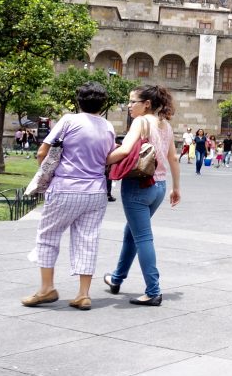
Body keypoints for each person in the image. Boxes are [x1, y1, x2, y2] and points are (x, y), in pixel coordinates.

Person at [22, 82, 116, 310]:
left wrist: (46, 173)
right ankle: (83, 294)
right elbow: (108, 157)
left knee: (48, 237)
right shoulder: (108, 127)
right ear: (103, 104)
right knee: (88, 240)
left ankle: (47, 289)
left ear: (78, 101)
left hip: (66, 188)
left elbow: (43, 152)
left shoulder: (69, 120)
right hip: (96, 192)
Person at [104, 85, 182, 306]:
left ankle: (153, 291)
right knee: (132, 233)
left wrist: (99, 159)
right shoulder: (165, 125)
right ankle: (116, 278)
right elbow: (173, 159)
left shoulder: (140, 121)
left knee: (143, 237)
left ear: (146, 104)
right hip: (159, 187)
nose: (129, 106)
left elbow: (125, 150)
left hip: (138, 185)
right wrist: (176, 188)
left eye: (133, 102)